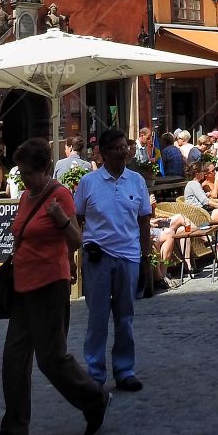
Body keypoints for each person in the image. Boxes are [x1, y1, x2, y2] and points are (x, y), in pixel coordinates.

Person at [0, 138, 109, 435]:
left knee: (51, 359)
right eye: (20, 172)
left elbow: (76, 240)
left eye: (27, 173)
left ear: (44, 169)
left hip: (49, 286)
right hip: (22, 287)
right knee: (13, 361)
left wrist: (60, 221)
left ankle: (94, 399)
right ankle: (14, 433)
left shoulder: (60, 196)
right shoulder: (27, 196)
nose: (23, 178)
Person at [74, 128, 153, 393]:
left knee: (125, 318)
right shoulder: (89, 182)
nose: (124, 152)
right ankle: (95, 374)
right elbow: (77, 218)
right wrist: (80, 250)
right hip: (98, 259)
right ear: (104, 153)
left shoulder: (136, 181)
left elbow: (144, 220)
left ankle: (124, 370)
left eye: (125, 147)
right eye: (118, 148)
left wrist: (146, 256)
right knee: (97, 318)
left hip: (128, 257)